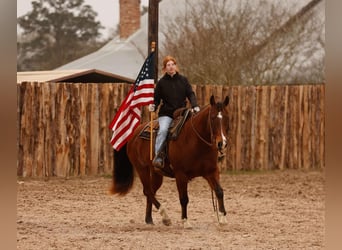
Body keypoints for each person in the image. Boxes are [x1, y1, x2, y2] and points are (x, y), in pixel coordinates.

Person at [149, 55, 200, 171]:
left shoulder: (183, 80)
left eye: (173, 64)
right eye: (168, 65)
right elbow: (156, 99)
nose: (171, 67)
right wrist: (153, 106)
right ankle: (158, 157)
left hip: (182, 112)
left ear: (176, 66)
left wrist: (195, 105)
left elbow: (190, 94)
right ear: (165, 68)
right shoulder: (161, 83)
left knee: (193, 128)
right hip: (166, 114)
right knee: (163, 130)